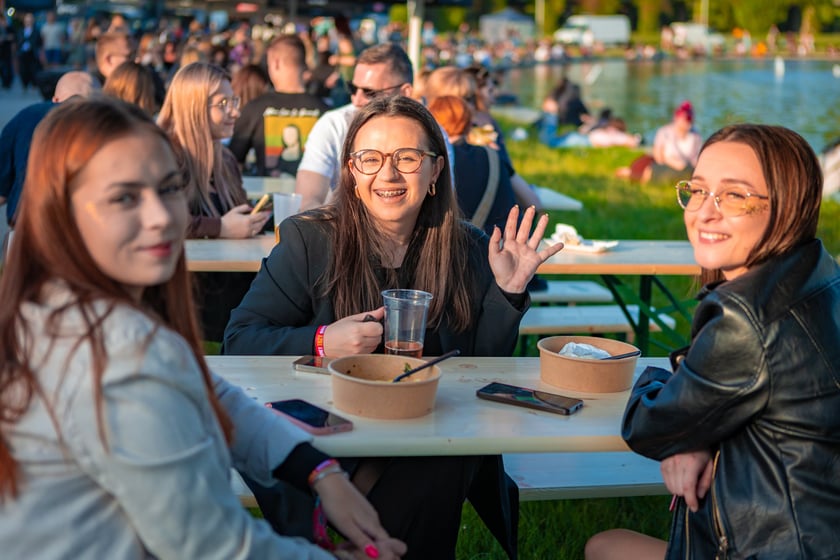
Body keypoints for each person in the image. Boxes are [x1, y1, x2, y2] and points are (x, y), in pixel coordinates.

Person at [0, 96, 405, 560]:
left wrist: (319, 471)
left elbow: (209, 389)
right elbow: (214, 547)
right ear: (62, 213)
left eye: (169, 188)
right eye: (124, 197)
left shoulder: (57, 308)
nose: (161, 216)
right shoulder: (119, 359)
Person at [224, 96, 564, 559]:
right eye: (370, 159)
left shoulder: (466, 246)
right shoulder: (309, 240)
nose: (388, 174)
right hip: (330, 435)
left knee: (445, 452)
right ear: (351, 172)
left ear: (435, 172)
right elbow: (240, 337)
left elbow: (481, 365)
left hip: (430, 432)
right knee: (441, 460)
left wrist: (506, 293)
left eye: (407, 158)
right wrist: (324, 341)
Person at [585, 124, 840, 559]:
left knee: (603, 547)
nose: (704, 212)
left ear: (786, 206)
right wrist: (699, 431)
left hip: (767, 546)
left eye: (735, 196)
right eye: (698, 190)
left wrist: (681, 418)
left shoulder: (746, 317)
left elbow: (650, 426)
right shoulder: (822, 276)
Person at [157, 62, 270, 341]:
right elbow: (161, 220)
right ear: (194, 106)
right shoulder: (165, 155)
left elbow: (238, 217)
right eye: (223, 103)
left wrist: (255, 220)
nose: (235, 111)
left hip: (229, 296)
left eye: (234, 100)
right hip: (185, 302)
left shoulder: (226, 159)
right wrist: (220, 227)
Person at [294, 43, 416, 211]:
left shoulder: (429, 133)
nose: (356, 100)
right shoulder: (333, 125)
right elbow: (307, 202)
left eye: (369, 92)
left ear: (405, 93)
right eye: (352, 88)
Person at [0, 71, 98, 226]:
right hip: (84, 224)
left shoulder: (25, 117)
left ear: (55, 99)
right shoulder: (105, 124)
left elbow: (2, 194)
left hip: (27, 222)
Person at [229, 35, 329, 178]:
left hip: (266, 198)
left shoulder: (255, 108)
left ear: (275, 63)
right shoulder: (325, 112)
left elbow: (233, 164)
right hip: (314, 199)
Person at [428, 95, 515, 235]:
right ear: (468, 123)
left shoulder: (431, 161)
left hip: (444, 244)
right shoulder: (490, 156)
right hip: (491, 242)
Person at [617, 101, 702, 184]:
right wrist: (675, 163)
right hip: (665, 165)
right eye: (684, 119)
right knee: (651, 171)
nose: (685, 123)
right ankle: (630, 173)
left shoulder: (695, 136)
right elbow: (659, 157)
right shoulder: (665, 132)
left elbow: (695, 159)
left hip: (686, 168)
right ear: (677, 118)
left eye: (688, 120)